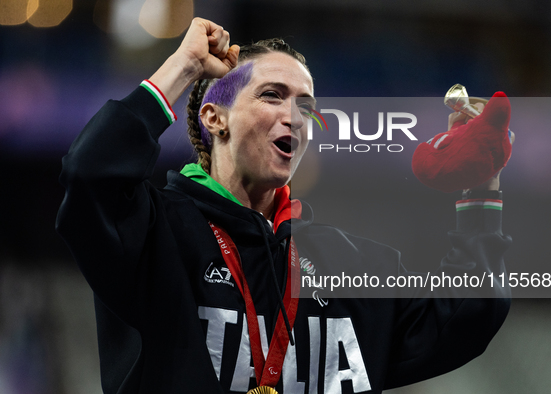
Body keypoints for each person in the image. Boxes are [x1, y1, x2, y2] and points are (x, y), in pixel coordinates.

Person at [56, 17, 512, 394]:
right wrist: (185, 65)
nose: (293, 115)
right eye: (272, 95)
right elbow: (90, 172)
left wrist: (480, 188)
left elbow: (466, 316)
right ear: (215, 118)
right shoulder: (153, 233)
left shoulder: (350, 263)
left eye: (306, 105)